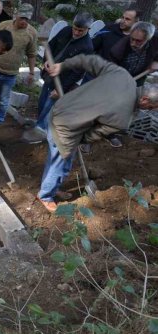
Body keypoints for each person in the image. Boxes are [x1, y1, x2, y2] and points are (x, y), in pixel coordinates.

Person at [37, 54, 158, 212]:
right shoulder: (124, 118)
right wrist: (77, 140)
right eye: (153, 106)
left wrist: (62, 65)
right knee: (59, 163)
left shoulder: (122, 75)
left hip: (59, 108)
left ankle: (53, 187)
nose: (153, 110)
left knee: (60, 159)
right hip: (65, 128)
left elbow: (90, 61)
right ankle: (45, 195)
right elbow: (92, 136)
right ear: (144, 100)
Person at [22, 12, 94, 144]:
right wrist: (46, 60)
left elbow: (77, 72)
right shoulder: (66, 31)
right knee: (42, 103)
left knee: (50, 108)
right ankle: (39, 125)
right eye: (75, 28)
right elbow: (51, 45)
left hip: (62, 82)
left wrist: (61, 90)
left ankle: (41, 131)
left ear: (87, 30)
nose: (76, 32)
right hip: (49, 76)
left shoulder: (87, 47)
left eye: (80, 30)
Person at [87, 7, 141, 148]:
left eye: (128, 19)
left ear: (137, 22)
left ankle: (109, 133)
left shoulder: (140, 38)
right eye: (123, 17)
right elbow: (89, 47)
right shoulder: (108, 30)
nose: (123, 20)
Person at [0, 3, 38, 124]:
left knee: (3, 100)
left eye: (27, 19)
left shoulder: (31, 33)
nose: (24, 21)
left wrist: (32, 73)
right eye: (22, 18)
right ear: (16, 15)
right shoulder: (4, 25)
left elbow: (32, 54)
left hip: (11, 74)